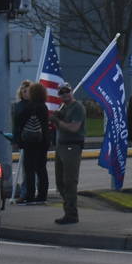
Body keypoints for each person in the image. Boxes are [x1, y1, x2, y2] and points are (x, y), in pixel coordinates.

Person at [10, 82, 50, 206]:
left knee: (29, 170)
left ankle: (30, 195)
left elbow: (19, 122)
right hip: (43, 142)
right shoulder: (44, 107)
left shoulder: (29, 107)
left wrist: (18, 140)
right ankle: (42, 195)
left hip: (30, 142)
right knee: (41, 169)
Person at [52, 83, 88, 221]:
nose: (65, 94)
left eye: (67, 91)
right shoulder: (64, 108)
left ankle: (72, 214)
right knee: (60, 182)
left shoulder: (77, 107)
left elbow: (74, 128)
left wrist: (57, 121)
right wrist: (57, 119)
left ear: (71, 91)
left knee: (69, 182)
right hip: (61, 146)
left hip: (72, 147)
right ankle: (67, 210)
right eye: (62, 92)